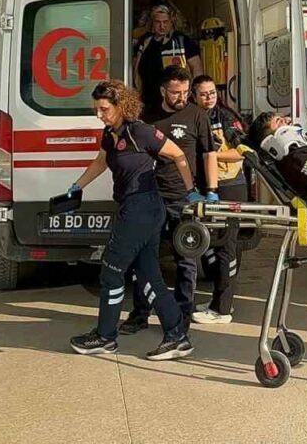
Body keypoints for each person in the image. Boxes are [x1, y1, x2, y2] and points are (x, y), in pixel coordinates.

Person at [64, 81, 198, 360]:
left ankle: (105, 337)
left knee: (111, 271)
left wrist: (190, 191)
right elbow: (101, 162)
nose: (99, 114)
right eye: (96, 109)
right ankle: (177, 336)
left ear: (120, 106)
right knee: (149, 275)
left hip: (143, 208)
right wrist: (77, 186)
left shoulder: (140, 131)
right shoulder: (109, 133)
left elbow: (177, 154)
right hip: (132, 207)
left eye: (104, 109)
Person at [120, 67, 219, 334]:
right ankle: (140, 313)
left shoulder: (197, 115)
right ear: (163, 90)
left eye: (186, 92)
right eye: (176, 92)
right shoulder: (146, 115)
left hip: (183, 197)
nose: (182, 97)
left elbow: (209, 153)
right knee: (144, 256)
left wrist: (211, 190)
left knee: (186, 258)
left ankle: (182, 314)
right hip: (149, 194)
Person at [190, 75, 246, 325]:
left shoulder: (225, 116)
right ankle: (218, 301)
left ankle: (223, 309)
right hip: (207, 187)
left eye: (212, 92)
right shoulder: (194, 116)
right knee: (211, 246)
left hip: (230, 186)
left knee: (226, 247)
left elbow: (243, 152)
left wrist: (212, 154)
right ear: (194, 96)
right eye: (203, 94)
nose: (209, 97)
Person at [133, 1, 203, 111]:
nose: (162, 26)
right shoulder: (145, 41)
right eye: (158, 22)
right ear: (152, 22)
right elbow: (136, 69)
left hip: (176, 102)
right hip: (148, 102)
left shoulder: (183, 41)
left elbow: (197, 68)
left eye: (165, 22)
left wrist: (190, 94)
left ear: (171, 21)